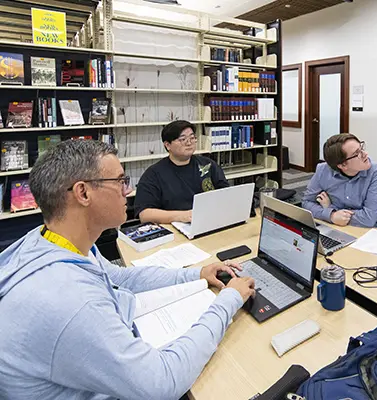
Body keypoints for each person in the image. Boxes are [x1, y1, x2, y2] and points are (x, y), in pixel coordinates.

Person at [0, 140, 255, 399]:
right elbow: (161, 382)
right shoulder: (72, 302)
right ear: (83, 193)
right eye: (120, 181)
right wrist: (228, 301)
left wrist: (197, 274)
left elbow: (119, 277)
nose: (128, 190)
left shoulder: (49, 239)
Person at [134, 120, 229, 224]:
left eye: (192, 138)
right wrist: (181, 216)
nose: (189, 143)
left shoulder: (209, 165)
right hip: (176, 227)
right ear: (167, 145)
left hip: (209, 222)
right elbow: (145, 214)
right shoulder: (153, 174)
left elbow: (227, 195)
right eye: (182, 139)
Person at [302, 133, 377, 229]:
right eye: (357, 153)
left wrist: (330, 209)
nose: (365, 154)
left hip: (369, 231)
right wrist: (332, 216)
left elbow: (368, 218)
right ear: (342, 165)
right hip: (334, 227)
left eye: (361, 148)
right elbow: (306, 203)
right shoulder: (323, 170)